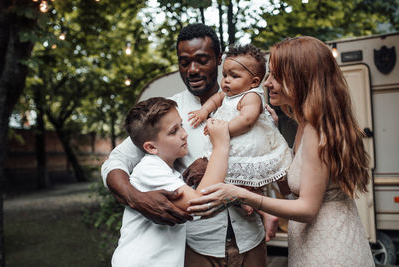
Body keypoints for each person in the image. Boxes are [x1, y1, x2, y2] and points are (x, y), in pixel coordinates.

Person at [188, 36, 374, 266]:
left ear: (300, 78)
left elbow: (307, 208)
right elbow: (295, 181)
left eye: (276, 76)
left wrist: (242, 194)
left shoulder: (318, 129)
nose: (266, 83)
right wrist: (270, 133)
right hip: (313, 241)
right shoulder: (306, 123)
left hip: (329, 247)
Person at [101, 23, 277, 266]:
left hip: (251, 237)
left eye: (202, 60)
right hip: (198, 246)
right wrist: (136, 199)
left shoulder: (249, 104)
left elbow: (267, 159)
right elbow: (114, 162)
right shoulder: (167, 113)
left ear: (218, 59)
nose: (192, 69)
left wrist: (266, 209)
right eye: (184, 62)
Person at [112, 97, 230, 267]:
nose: (184, 133)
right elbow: (200, 202)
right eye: (174, 131)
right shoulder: (150, 169)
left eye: (181, 125)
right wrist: (221, 145)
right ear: (151, 147)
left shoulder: (168, 172)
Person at [187, 44, 292, 191]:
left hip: (249, 143)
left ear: (254, 82)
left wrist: (222, 130)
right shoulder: (228, 94)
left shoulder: (251, 96)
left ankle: (262, 203)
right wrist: (204, 110)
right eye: (224, 75)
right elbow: (215, 100)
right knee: (230, 176)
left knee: (250, 177)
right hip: (232, 144)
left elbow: (247, 121)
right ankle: (245, 204)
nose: (227, 80)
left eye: (234, 76)